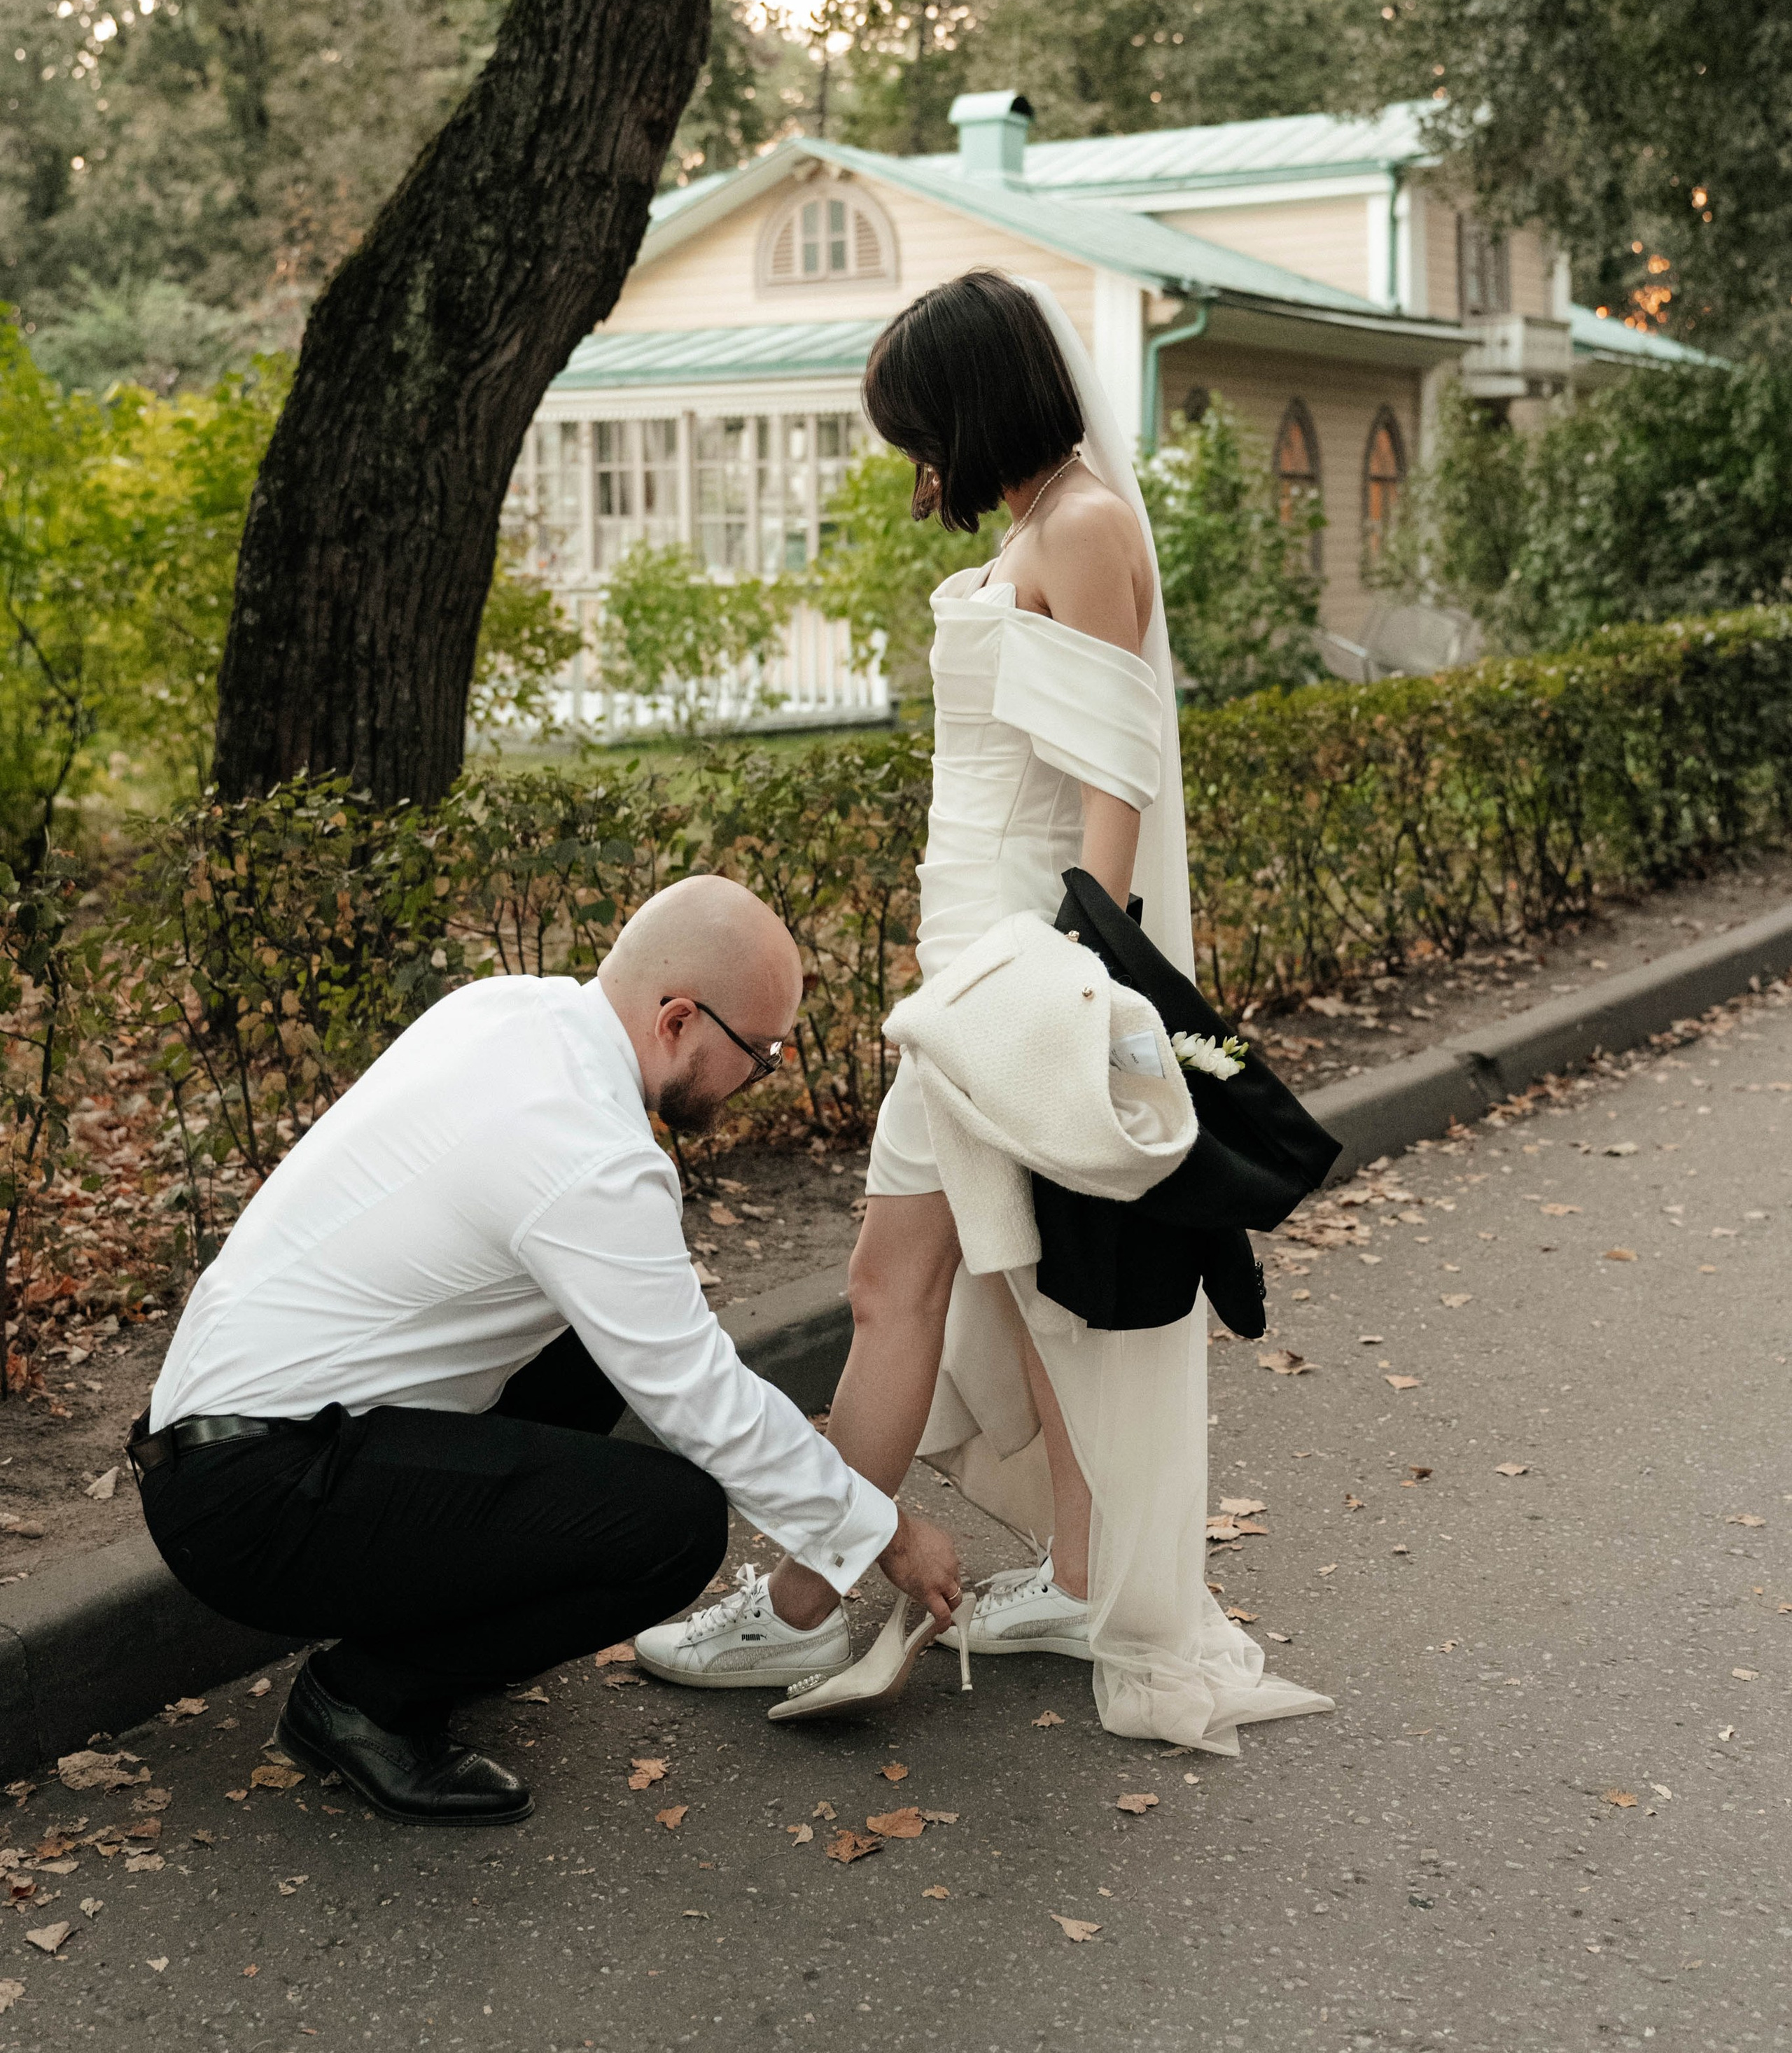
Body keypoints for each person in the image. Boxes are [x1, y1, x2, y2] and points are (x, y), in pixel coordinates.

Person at [639, 274, 1331, 1757]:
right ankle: (1085, 1581)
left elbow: (1115, 777)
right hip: (972, 963)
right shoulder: (1043, 516)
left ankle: (806, 1598)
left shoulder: (1080, 524)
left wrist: (1082, 978)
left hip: (1011, 978)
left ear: (974, 400)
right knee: (1028, 1297)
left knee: (896, 1280)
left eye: (917, 428)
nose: (914, 462)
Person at [132, 876, 961, 1824]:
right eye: (760, 1052)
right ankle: (363, 1698)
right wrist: (884, 1532)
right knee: (673, 1526)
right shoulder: (588, 1153)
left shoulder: (506, 1010)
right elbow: (702, 1398)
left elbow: (662, 1356)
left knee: (588, 1340)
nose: (762, 1074)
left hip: (226, 1443)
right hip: (254, 1497)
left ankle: (439, 1613)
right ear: (679, 1018)